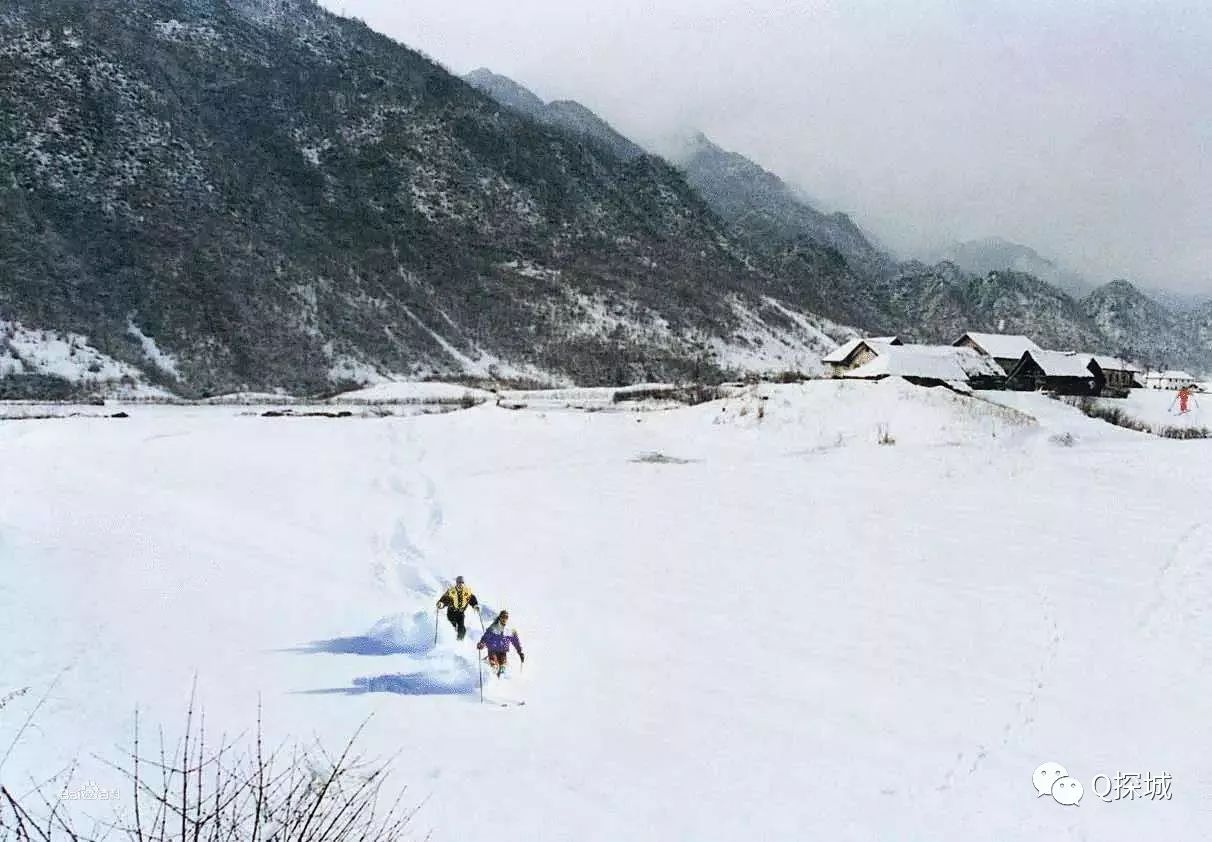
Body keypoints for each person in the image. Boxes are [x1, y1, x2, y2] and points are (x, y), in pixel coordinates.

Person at [477, 610, 524, 676]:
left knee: (503, 668)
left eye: (506, 617)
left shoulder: (510, 629)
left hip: (502, 652)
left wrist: (520, 652)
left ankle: (499, 680)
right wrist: (481, 643)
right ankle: (490, 668)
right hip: (492, 650)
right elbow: (485, 637)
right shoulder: (494, 627)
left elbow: (516, 641)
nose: (504, 619)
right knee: (494, 666)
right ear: (500, 617)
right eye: (503, 617)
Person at [436, 576, 479, 641]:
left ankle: (459, 642)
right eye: (459, 582)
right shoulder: (451, 591)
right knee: (451, 629)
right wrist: (441, 603)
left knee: (462, 629)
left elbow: (472, 599)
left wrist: (475, 605)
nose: (460, 584)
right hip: (451, 613)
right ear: (456, 583)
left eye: (462, 582)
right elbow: (444, 599)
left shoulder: (467, 592)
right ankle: (449, 642)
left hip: (460, 614)